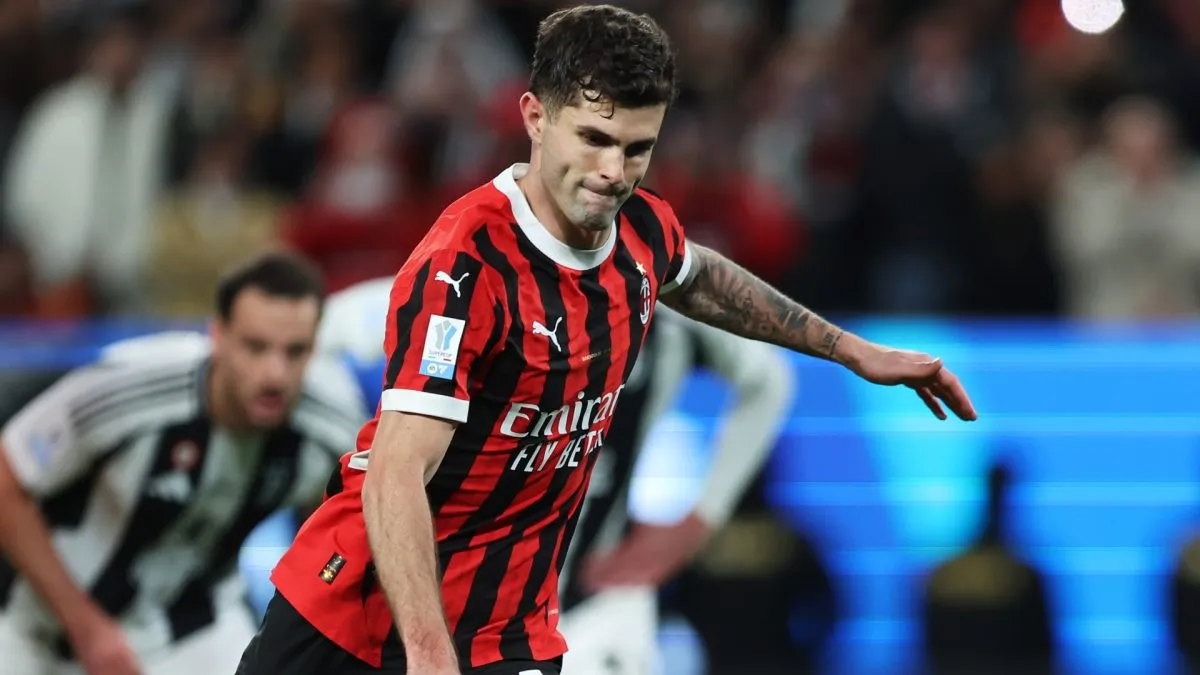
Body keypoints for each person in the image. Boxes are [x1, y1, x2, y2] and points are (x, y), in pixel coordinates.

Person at [236, 5, 977, 675]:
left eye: (636, 147)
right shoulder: (466, 267)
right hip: (354, 615)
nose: (612, 173)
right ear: (534, 116)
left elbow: (702, 275)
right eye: (593, 139)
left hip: (509, 629)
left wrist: (852, 350)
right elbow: (397, 471)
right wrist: (430, 655)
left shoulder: (643, 230)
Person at [314, 280, 796, 675]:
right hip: (451, 606)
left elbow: (768, 379)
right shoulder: (470, 284)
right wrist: (364, 467)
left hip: (594, 605)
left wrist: (695, 526)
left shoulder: (670, 311)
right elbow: (322, 332)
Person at [0, 252, 367, 675]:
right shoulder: (130, 389)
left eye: (295, 351)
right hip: (39, 630)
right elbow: (8, 478)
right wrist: (88, 629)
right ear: (218, 337)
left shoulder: (332, 427)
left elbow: (342, 532)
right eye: (256, 347)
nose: (275, 374)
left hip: (191, 632)